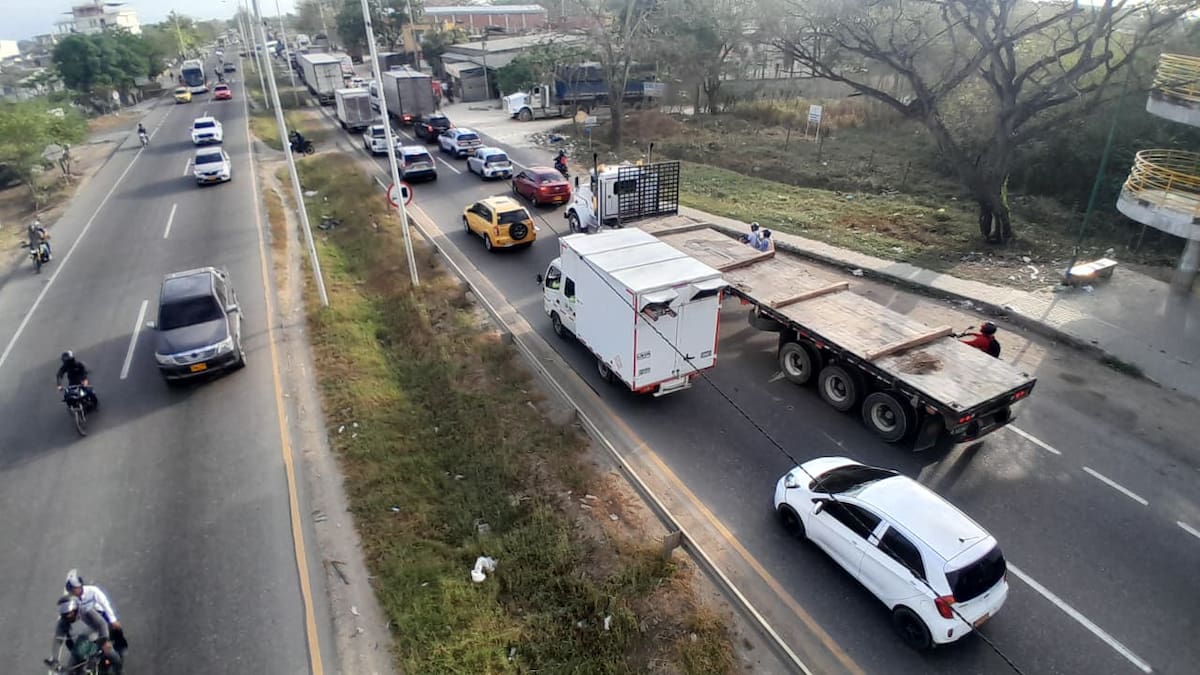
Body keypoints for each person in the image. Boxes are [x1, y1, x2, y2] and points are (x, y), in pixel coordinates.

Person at [45, 595, 123, 674]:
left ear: (76, 608)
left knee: (112, 656)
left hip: (98, 640)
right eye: (66, 614)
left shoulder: (86, 611)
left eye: (70, 613)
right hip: (80, 648)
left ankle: (119, 671)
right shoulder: (62, 623)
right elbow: (58, 640)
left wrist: (105, 640)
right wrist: (55, 659)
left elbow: (101, 624)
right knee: (70, 670)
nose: (68, 616)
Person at [65, 570, 127, 654]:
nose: (73, 592)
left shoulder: (93, 591)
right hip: (86, 619)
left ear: (79, 587)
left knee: (116, 628)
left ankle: (121, 646)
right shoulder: (72, 598)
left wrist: (113, 620)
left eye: (73, 590)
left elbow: (105, 604)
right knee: (75, 638)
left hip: (100, 613)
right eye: (71, 591)